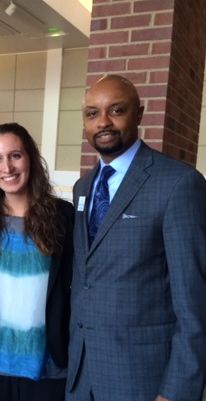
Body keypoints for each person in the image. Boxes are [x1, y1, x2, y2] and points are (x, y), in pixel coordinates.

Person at [66, 74, 206, 401]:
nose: (103, 122)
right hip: (82, 375)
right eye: (92, 113)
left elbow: (196, 302)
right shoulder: (83, 188)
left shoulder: (178, 184)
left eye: (117, 110)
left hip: (142, 380)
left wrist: (177, 391)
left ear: (139, 115)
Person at [0, 123, 74, 401]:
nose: (7, 167)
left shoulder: (62, 215)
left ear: (30, 158)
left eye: (15, 155)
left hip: (48, 367)